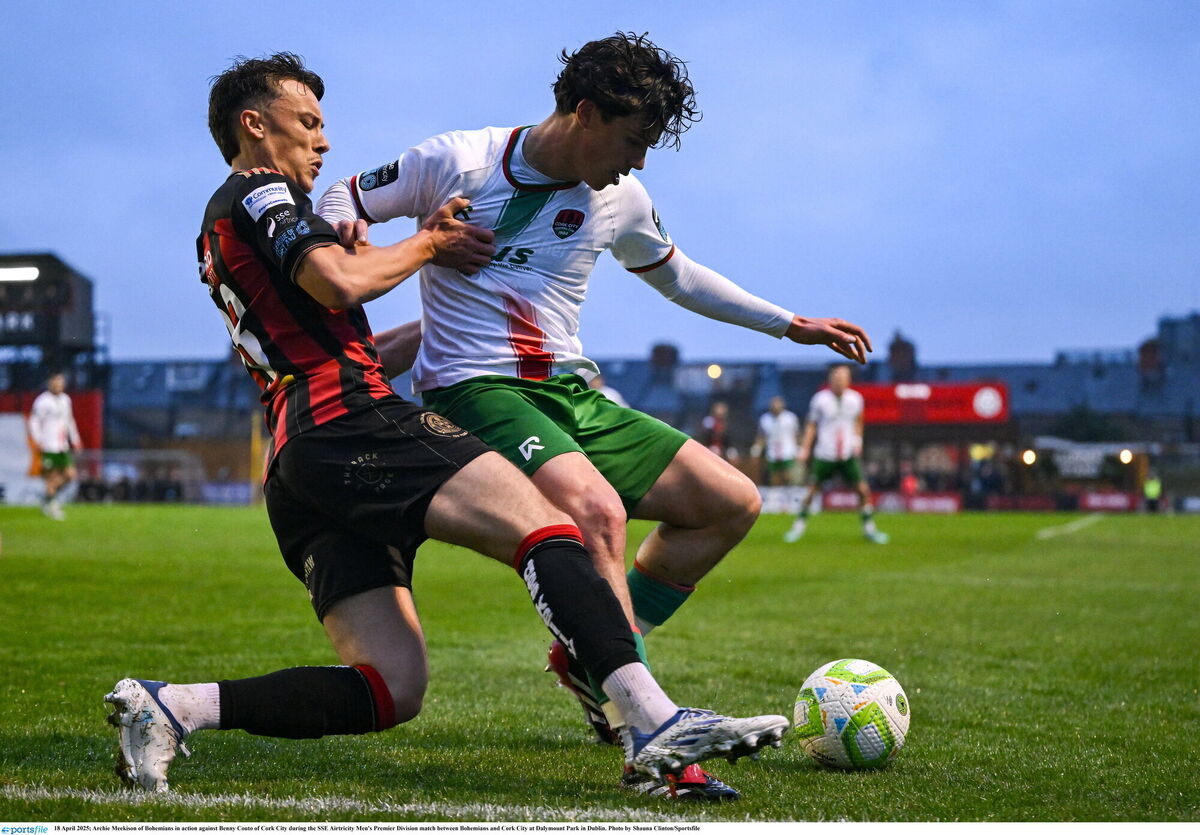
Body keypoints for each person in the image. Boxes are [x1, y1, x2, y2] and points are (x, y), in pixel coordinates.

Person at [102, 53, 787, 795]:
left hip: (300, 457)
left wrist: (468, 323)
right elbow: (338, 281)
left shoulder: (217, 233)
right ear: (253, 124)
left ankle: (172, 707)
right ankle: (649, 720)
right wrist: (429, 242)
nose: (323, 142)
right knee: (553, 524)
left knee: (392, 686)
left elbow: (343, 334)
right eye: (308, 123)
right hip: (349, 421)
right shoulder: (261, 190)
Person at [315, 33, 869, 800]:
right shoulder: (461, 160)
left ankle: (593, 656)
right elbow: (343, 194)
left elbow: (677, 275)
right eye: (634, 140)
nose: (638, 162)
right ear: (584, 113)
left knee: (728, 503)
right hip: (478, 387)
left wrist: (789, 323)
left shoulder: (620, 197)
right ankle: (650, 732)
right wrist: (383, 238)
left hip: (572, 392)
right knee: (598, 513)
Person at [784, 365, 888, 544]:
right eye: (836, 377)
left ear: (848, 380)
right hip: (826, 453)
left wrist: (857, 441)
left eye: (842, 377)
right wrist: (805, 449)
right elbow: (811, 425)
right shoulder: (820, 400)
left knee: (863, 491)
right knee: (811, 491)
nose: (839, 380)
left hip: (847, 453)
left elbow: (859, 421)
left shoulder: (855, 399)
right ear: (830, 379)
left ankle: (869, 529)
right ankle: (798, 527)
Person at [28, 371, 81, 520]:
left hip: (62, 445)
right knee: (52, 477)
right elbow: (34, 421)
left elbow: (69, 420)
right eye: (55, 382)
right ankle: (52, 506)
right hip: (48, 445)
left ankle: (47, 498)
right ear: (50, 383)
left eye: (60, 382)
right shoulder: (42, 401)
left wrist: (75, 439)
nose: (58, 385)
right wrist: (38, 440)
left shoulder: (66, 400)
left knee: (70, 475)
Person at [753, 396, 801, 513]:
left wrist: (800, 448)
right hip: (773, 453)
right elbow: (761, 436)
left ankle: (790, 502)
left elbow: (797, 434)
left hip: (788, 452)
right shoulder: (765, 419)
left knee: (788, 477)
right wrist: (757, 448)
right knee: (774, 479)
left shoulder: (790, 418)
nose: (776, 407)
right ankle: (775, 503)